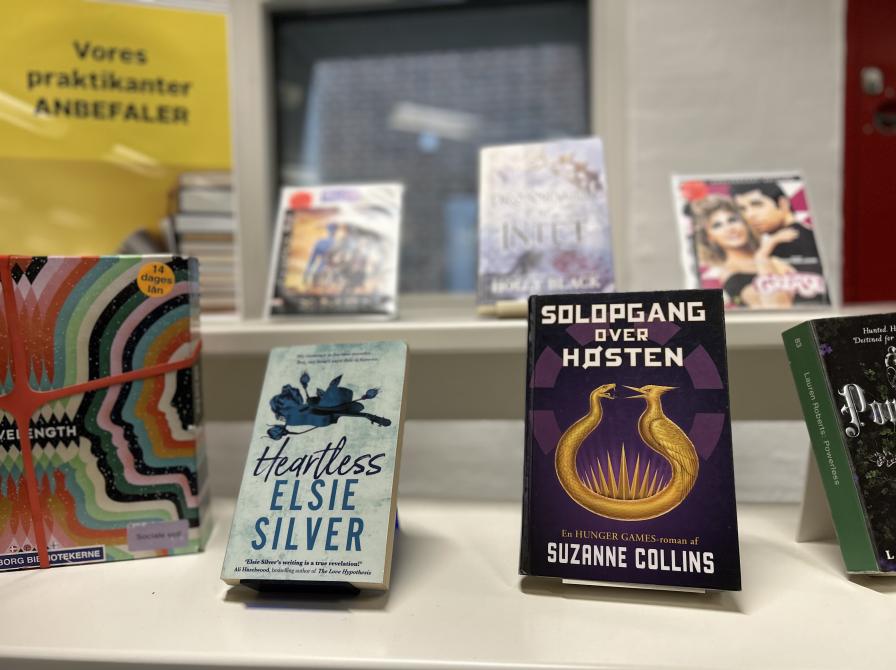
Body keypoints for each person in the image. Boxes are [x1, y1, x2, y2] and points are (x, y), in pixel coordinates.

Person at [691, 195, 797, 308]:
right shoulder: (733, 276)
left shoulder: (778, 253)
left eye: (733, 220)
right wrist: (762, 256)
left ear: (745, 223)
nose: (730, 229)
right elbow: (777, 308)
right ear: (710, 237)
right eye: (717, 226)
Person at [729, 181, 822, 271]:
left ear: (783, 204)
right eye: (742, 209)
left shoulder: (785, 243)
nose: (749, 215)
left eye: (757, 205)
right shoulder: (810, 235)